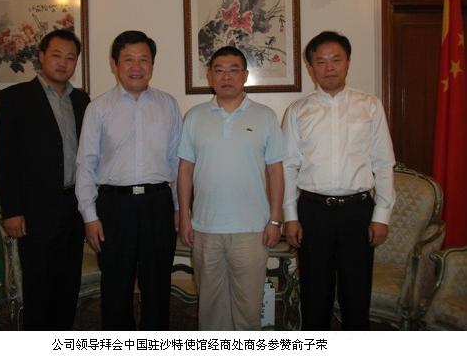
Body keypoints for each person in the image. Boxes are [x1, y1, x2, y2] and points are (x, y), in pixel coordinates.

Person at [282, 31, 396, 330]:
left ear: (348, 62)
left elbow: (383, 163)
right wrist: (290, 217)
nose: (329, 67)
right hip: (313, 211)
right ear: (310, 67)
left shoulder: (370, 105)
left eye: (336, 60)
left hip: (358, 211)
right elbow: (289, 167)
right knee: (314, 293)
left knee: (356, 294)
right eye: (320, 61)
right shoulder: (298, 111)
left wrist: (381, 216)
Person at [76, 30, 181, 330]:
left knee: (157, 285)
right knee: (116, 286)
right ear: (114, 64)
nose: (137, 67)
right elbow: (85, 164)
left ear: (152, 64)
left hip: (158, 204)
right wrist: (90, 217)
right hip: (114, 207)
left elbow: (177, 161)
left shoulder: (168, 104)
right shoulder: (98, 108)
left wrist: (179, 208)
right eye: (128, 60)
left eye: (143, 60)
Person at [178, 46, 284, 330]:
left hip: (252, 229)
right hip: (205, 228)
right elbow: (185, 169)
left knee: (248, 309)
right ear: (210, 75)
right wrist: (184, 216)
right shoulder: (194, 117)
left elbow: (275, 171)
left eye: (233, 70)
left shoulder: (265, 116)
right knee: (210, 307)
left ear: (245, 75)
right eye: (219, 70)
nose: (226, 76)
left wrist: (275, 219)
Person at [0, 29, 90, 330]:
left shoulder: (82, 100)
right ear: (41, 56)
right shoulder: (14, 99)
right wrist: (11, 210)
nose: (63, 63)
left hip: (73, 208)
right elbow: (5, 159)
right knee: (38, 288)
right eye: (56, 55)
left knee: (68, 286)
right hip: (34, 211)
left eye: (70, 57)